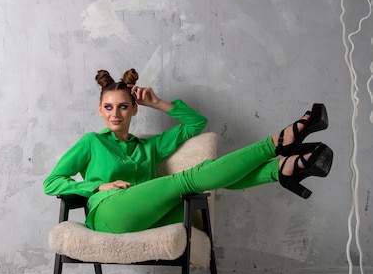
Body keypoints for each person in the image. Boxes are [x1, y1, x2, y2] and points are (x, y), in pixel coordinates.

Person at [43, 68, 333, 234]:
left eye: (122, 106)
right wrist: (98, 186)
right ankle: (277, 144)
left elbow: (197, 124)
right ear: (100, 110)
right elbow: (52, 182)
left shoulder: (149, 146)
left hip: (151, 216)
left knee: (205, 185)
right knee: (187, 180)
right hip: (109, 214)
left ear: (134, 108)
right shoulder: (91, 142)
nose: (114, 113)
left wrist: (156, 102)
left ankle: (282, 169)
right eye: (108, 107)